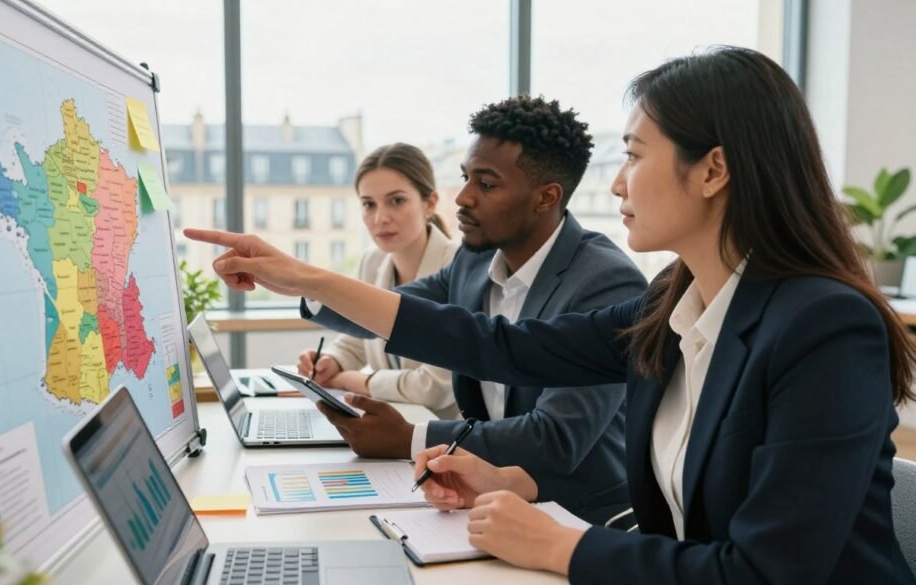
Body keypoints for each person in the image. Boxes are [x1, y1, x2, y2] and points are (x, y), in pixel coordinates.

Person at [185, 46, 916, 583]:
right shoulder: (677, 299)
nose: (619, 181)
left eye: (634, 155)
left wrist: (557, 542)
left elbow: (766, 572)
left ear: (715, 170)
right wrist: (521, 486)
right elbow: (504, 346)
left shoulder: (825, 327)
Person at [298, 95, 647, 524]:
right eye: (465, 178)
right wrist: (306, 285)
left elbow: (555, 439)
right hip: (484, 501)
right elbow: (395, 312)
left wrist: (408, 437)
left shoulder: (605, 282)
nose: (461, 197)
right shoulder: (474, 261)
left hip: (581, 518)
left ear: (545, 197)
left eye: (486, 184)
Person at [296, 143, 461, 419]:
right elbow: (362, 336)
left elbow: (436, 386)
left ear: (430, 203)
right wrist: (332, 361)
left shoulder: (457, 267)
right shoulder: (372, 262)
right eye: (368, 204)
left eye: (396, 201)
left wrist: (352, 381)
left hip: (446, 432)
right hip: (395, 422)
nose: (380, 218)